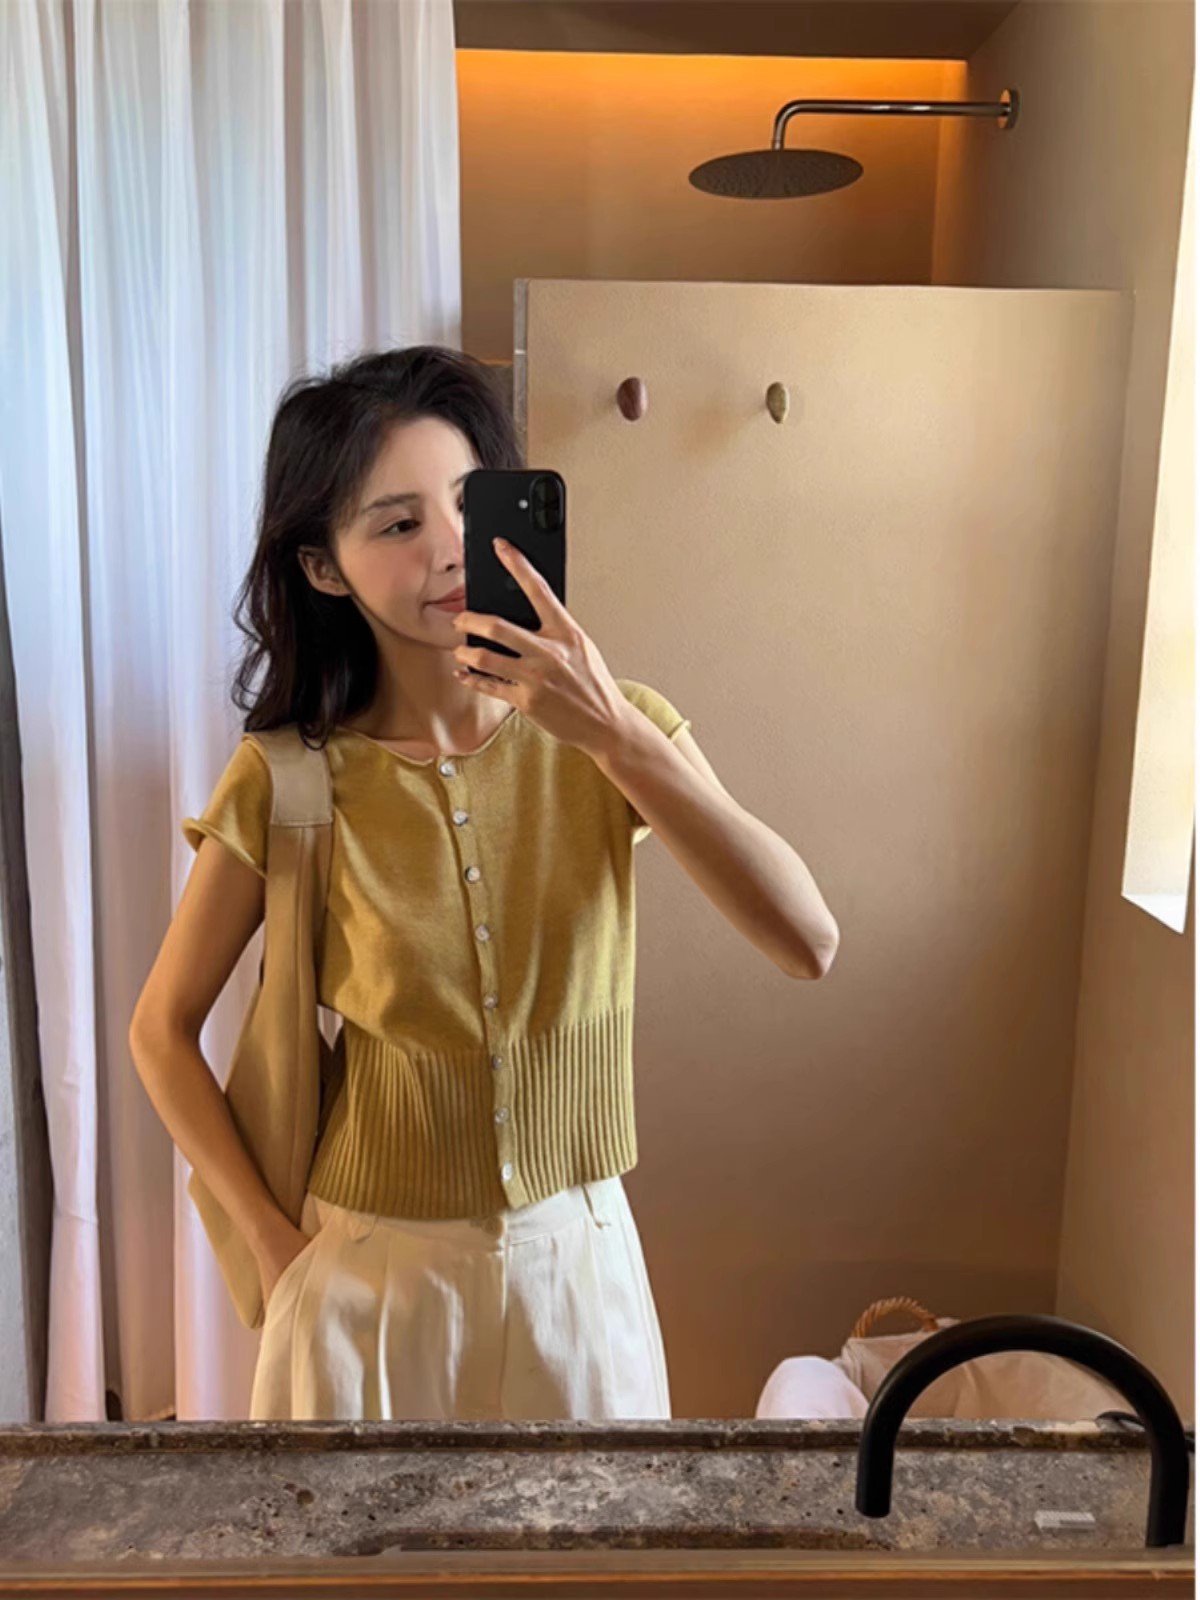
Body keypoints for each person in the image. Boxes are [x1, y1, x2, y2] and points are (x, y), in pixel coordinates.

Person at [130, 345, 699, 1421]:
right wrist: (276, 1247)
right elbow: (160, 1030)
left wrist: (614, 733)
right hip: (366, 1281)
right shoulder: (288, 778)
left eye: (469, 505)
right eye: (397, 525)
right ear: (323, 568)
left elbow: (807, 939)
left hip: (579, 1265)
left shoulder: (611, 733)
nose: (448, 548)